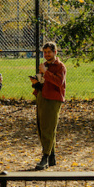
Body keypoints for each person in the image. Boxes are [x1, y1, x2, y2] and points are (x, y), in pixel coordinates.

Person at [30, 41, 66, 170]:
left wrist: (45, 72)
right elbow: (42, 83)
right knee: (42, 126)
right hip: (42, 97)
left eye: (49, 52)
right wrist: (35, 83)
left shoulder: (60, 66)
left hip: (53, 99)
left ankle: (45, 157)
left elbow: (59, 83)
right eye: (45, 52)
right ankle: (52, 157)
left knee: (48, 127)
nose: (46, 55)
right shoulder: (44, 65)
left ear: (55, 52)